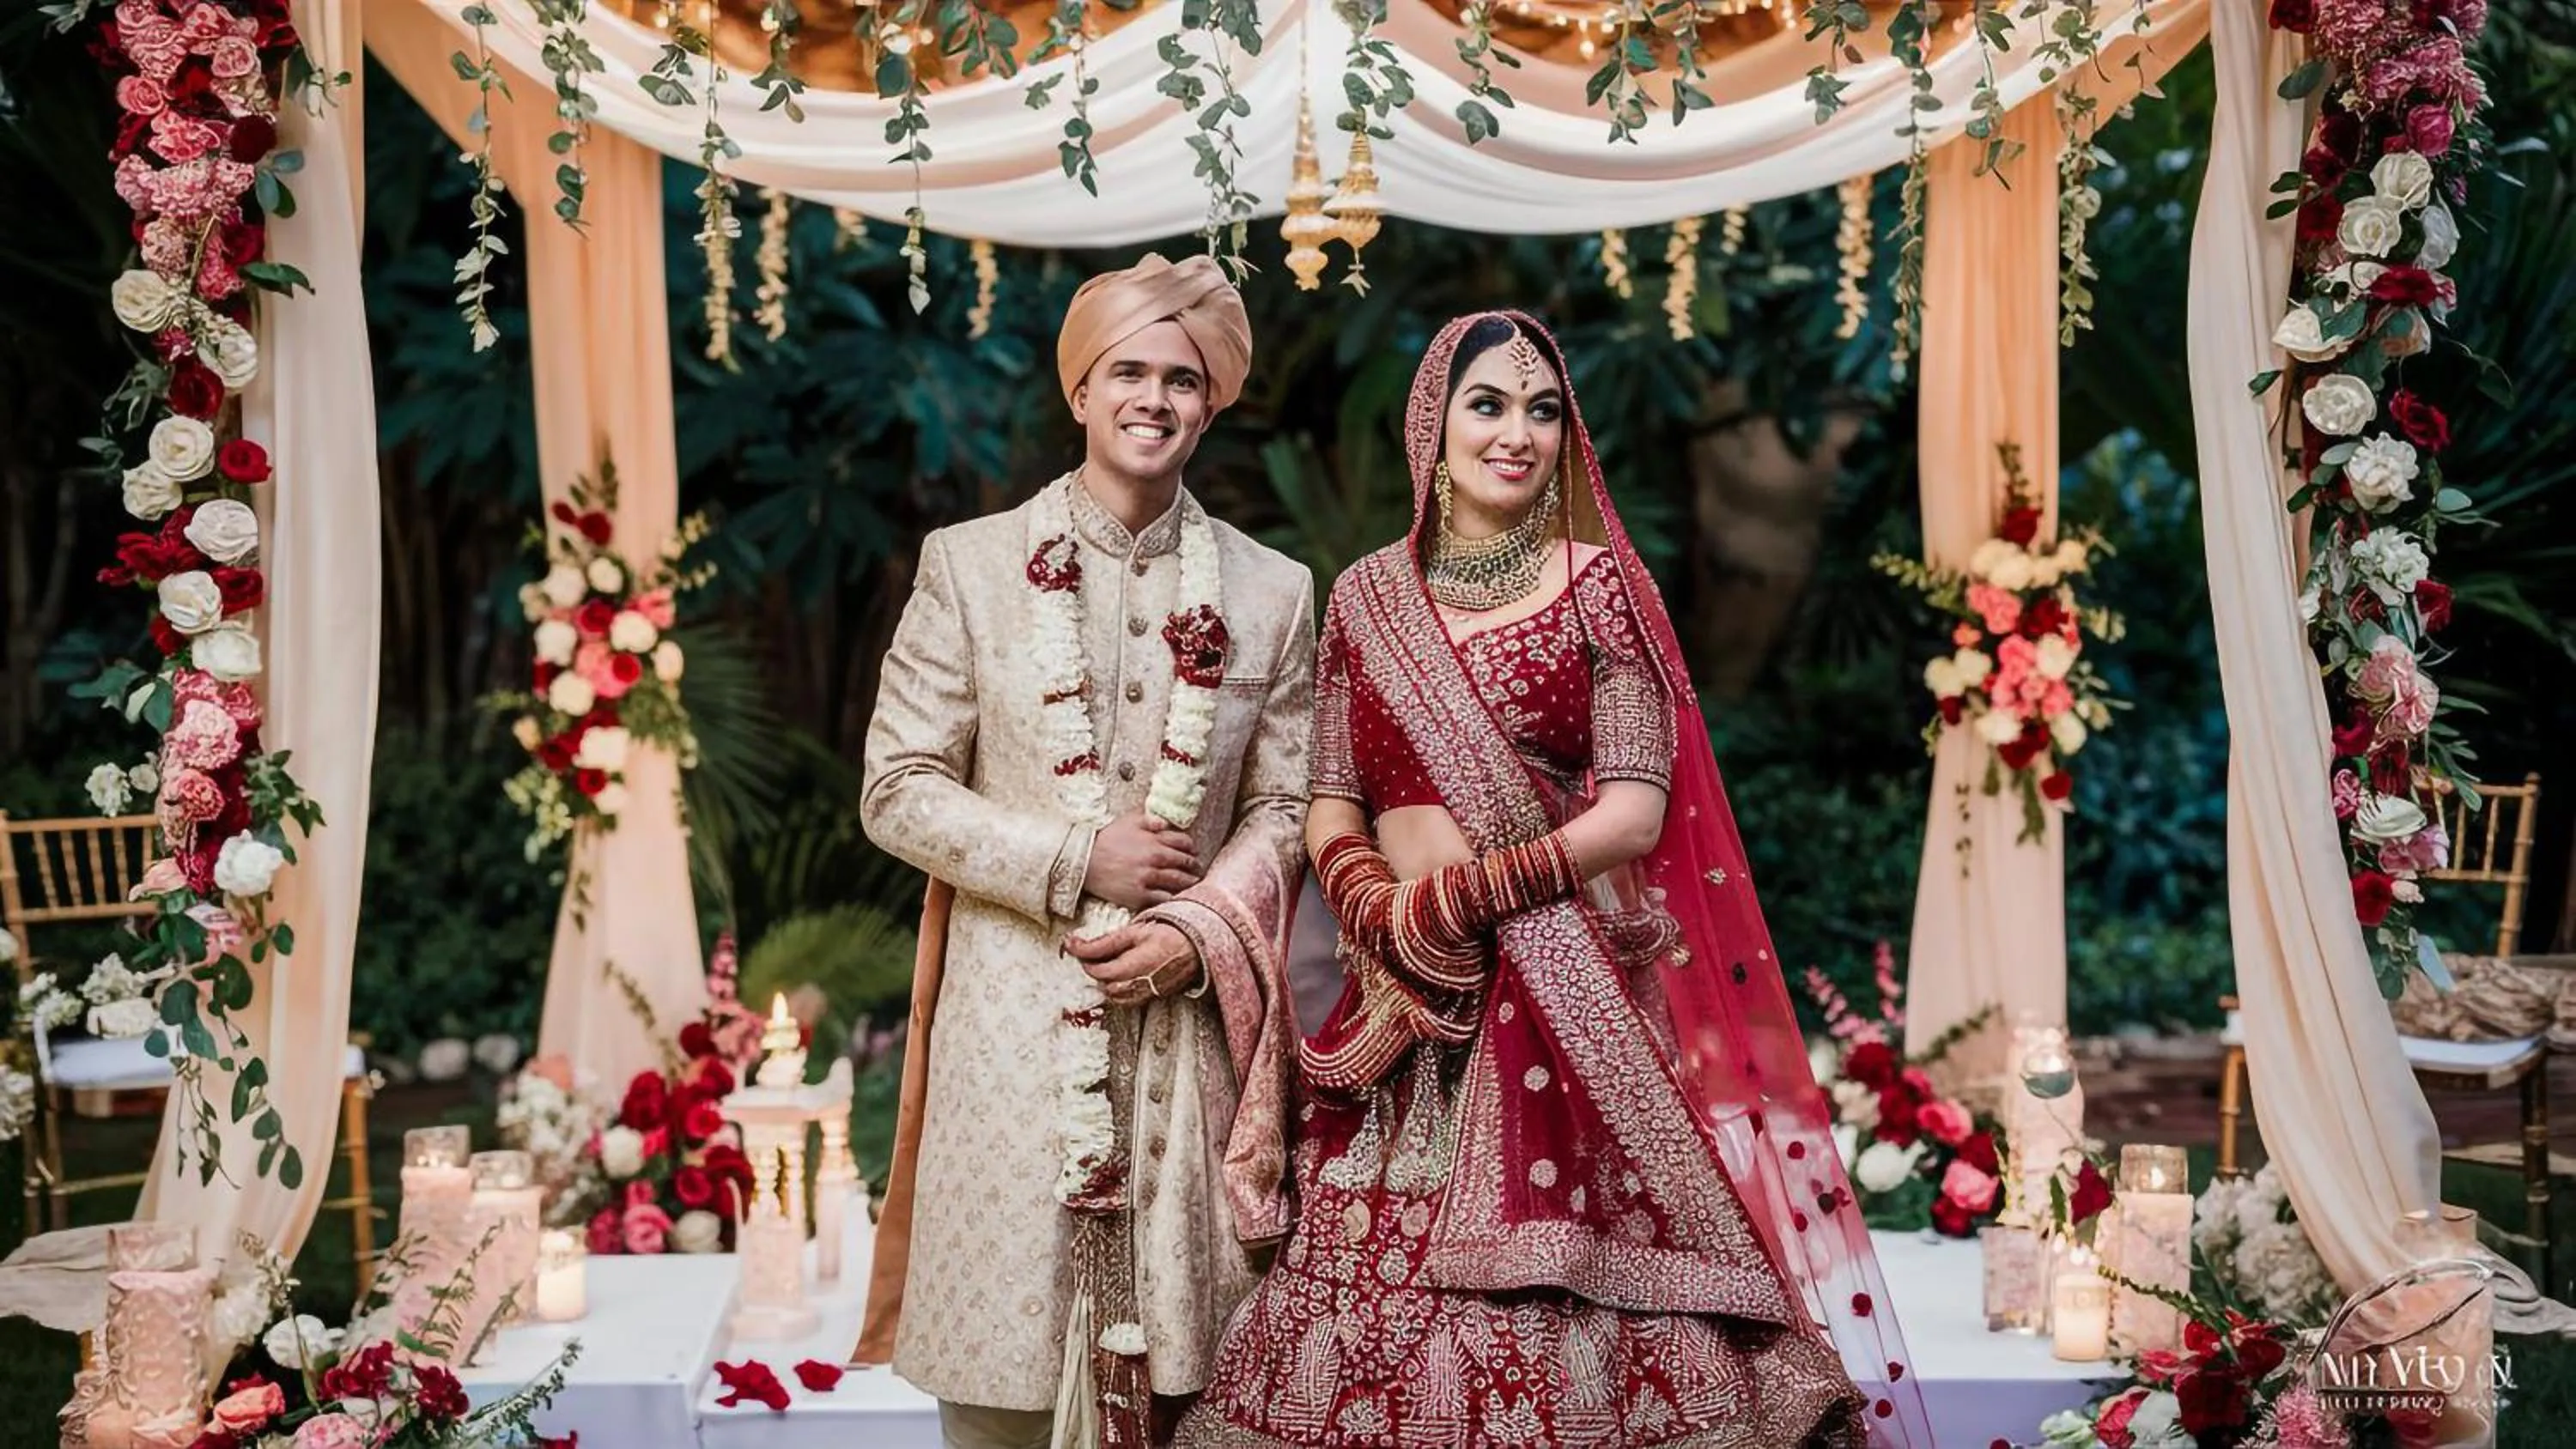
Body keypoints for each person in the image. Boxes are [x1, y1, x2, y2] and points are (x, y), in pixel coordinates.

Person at [1176, 312, 1931, 1448]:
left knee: (1566, 1295)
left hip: (1552, 989)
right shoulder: (1368, 596)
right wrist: (1375, 903)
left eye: (1543, 411)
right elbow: (1331, 796)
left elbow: (1633, 816)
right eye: (1488, 404)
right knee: (1358, 1293)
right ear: (1433, 425)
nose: (1516, 433)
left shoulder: (1601, 588)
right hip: (1402, 1003)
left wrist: (1461, 899)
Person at [856, 254, 1314, 1449]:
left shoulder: (1272, 592)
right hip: (1011, 1039)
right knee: (1002, 1396)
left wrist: (1196, 930)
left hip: (1188, 1049)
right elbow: (897, 789)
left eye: (1183, 379)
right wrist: (1075, 857)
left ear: (1211, 404)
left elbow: (1286, 805)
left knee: (1197, 1393)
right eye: (1128, 373)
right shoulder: (970, 566)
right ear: (1080, 390)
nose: (1153, 399)